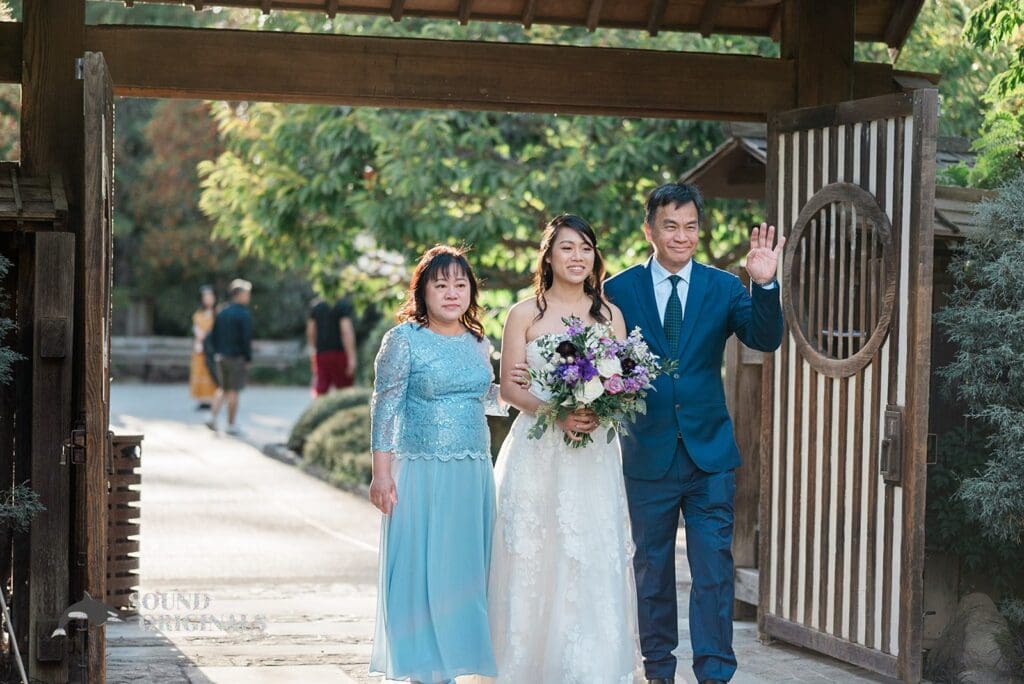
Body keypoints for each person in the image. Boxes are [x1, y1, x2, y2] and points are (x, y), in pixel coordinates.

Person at [603, 183, 784, 684]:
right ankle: (658, 669)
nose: (681, 236)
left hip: (710, 456)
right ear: (650, 230)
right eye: (670, 226)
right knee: (652, 570)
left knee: (712, 572)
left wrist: (764, 285)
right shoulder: (618, 290)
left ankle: (715, 672)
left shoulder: (725, 287)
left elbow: (765, 338)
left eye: (690, 227)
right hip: (647, 454)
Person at [489, 214, 642, 683]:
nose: (578, 257)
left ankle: (590, 667)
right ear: (549, 256)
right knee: (535, 553)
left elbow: (622, 380)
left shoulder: (609, 314)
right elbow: (509, 390)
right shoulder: (523, 314)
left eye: (586, 249)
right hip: (538, 453)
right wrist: (556, 411)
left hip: (593, 452)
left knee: (590, 554)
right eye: (568, 248)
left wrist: (601, 408)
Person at [368, 245, 502, 684]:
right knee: (422, 566)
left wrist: (531, 386)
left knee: (463, 571)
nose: (451, 293)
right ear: (422, 291)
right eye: (440, 284)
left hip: (473, 470)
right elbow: (385, 407)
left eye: (460, 284)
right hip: (421, 471)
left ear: (471, 291)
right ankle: (423, 667)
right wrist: (381, 474)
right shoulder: (403, 340)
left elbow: (485, 399)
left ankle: (460, 660)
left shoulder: (479, 341)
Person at [206, 278, 254, 436]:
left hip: (221, 357)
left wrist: (216, 352)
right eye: (247, 294)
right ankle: (231, 424)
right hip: (236, 357)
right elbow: (246, 339)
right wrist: (248, 358)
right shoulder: (243, 314)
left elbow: (212, 336)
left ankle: (212, 418)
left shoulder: (222, 312)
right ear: (238, 295)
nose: (248, 297)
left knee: (222, 388)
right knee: (233, 391)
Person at [306, 296, 357, 396]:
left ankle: (319, 411)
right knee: (345, 391)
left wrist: (313, 351)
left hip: (321, 354)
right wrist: (352, 357)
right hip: (339, 354)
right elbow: (346, 331)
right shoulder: (341, 306)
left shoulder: (316, 306)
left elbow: (311, 331)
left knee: (320, 391)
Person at [189, 285, 218, 409]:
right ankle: (203, 400)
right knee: (200, 372)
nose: (208, 299)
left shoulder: (217, 314)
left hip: (212, 347)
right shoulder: (198, 314)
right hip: (200, 348)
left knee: (212, 372)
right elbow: (197, 329)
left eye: (210, 296)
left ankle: (214, 399)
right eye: (206, 297)